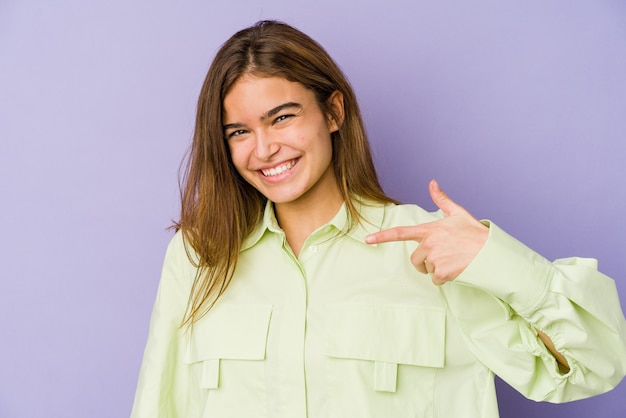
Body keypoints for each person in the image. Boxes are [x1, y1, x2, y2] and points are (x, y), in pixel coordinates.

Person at [130, 20, 626, 418]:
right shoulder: (200, 255)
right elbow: (158, 406)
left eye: (282, 117)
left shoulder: (433, 249)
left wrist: (495, 261)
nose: (264, 149)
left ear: (333, 112)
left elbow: (595, 365)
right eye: (239, 130)